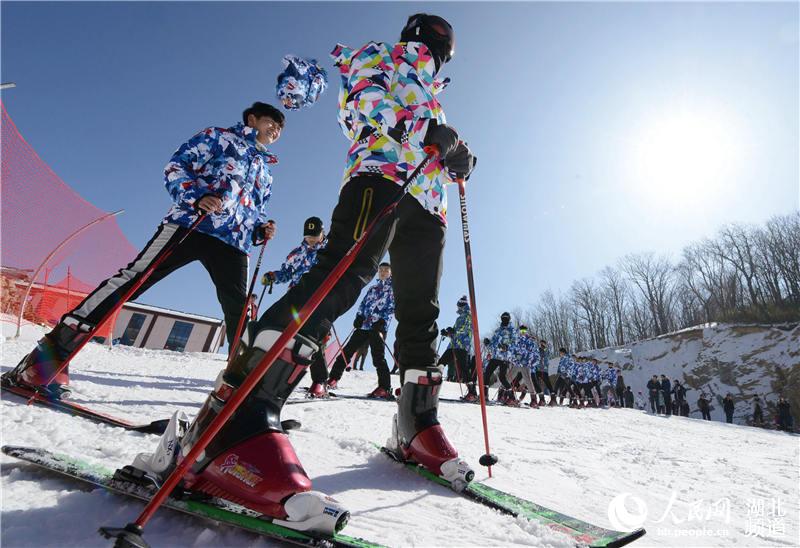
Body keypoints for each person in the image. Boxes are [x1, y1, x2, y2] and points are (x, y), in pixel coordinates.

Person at [131, 13, 476, 532]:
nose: (437, 51)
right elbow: (362, 107)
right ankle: (237, 420)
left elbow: (438, 137)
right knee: (339, 280)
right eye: (436, 43)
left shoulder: (434, 91)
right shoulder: (379, 57)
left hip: (429, 206)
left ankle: (416, 425)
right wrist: (427, 130)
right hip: (380, 178)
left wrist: (458, 157)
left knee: (420, 311)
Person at [4, 102, 282, 399]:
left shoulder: (266, 170)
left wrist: (258, 230)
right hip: (192, 224)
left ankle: (239, 385)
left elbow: (254, 210)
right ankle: (46, 360)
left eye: (280, 129)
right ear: (252, 119)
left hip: (233, 243)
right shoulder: (218, 137)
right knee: (134, 280)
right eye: (272, 122)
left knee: (239, 310)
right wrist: (197, 195)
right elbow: (176, 166)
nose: (276, 131)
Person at [261, 217, 329, 397]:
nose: (312, 239)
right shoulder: (296, 253)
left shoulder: (330, 250)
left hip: (318, 298)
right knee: (282, 332)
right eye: (308, 236)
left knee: (313, 338)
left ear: (323, 233)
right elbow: (286, 273)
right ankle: (270, 373)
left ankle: (319, 381)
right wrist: (273, 276)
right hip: (295, 298)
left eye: (315, 235)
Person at [324, 263, 395, 398]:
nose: (383, 272)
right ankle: (333, 379)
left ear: (391, 272)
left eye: (386, 270)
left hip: (378, 327)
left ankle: (384, 387)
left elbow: (391, 308)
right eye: (381, 270)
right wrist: (359, 317)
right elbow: (363, 304)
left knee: (378, 357)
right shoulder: (373, 289)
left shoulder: (392, 289)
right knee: (347, 351)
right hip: (364, 326)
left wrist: (382, 321)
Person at [438, 296, 476, 401]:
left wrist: (453, 331)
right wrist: (447, 333)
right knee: (441, 362)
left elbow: (465, 329)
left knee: (463, 368)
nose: (457, 308)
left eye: (458, 306)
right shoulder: (461, 316)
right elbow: (456, 331)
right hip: (454, 345)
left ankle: (472, 393)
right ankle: (432, 387)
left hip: (462, 345)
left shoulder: (468, 315)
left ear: (461, 305)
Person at [483, 312, 519, 405]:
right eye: (503, 318)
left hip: (505, 357)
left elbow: (515, 343)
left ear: (509, 319)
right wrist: (488, 343)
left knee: (502, 377)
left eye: (506, 318)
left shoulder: (512, 330)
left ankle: (511, 397)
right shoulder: (498, 330)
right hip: (495, 356)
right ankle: (484, 395)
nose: (504, 319)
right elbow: (494, 342)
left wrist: (507, 347)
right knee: (487, 373)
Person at [535, 339, 556, 406]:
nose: (542, 345)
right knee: (536, 383)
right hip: (538, 369)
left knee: (548, 383)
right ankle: (541, 399)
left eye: (543, 344)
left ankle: (553, 399)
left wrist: (545, 349)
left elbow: (549, 356)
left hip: (544, 370)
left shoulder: (547, 351)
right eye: (541, 344)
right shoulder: (537, 350)